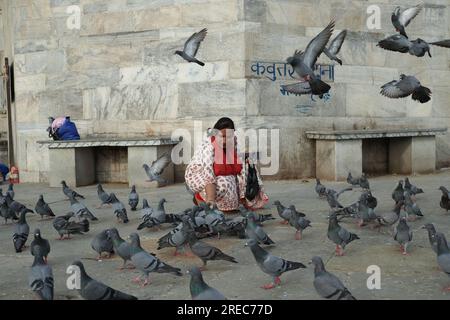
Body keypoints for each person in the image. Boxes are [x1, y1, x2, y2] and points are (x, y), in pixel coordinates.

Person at [185, 117, 268, 213]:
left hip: (221, 173)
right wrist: (210, 199)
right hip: (201, 174)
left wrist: (242, 195)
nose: (224, 141)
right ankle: (200, 197)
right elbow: (208, 174)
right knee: (223, 184)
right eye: (222, 137)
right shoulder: (208, 146)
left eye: (228, 137)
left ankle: (237, 201)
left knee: (246, 167)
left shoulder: (233, 142)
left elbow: (237, 166)